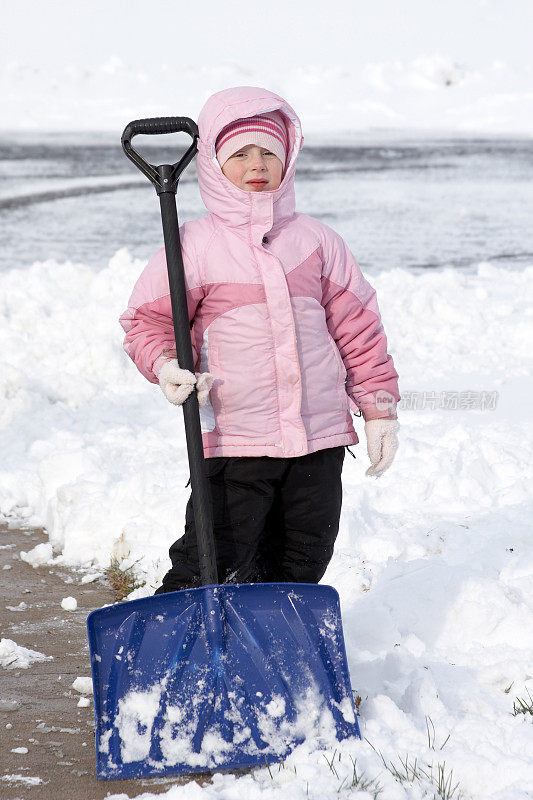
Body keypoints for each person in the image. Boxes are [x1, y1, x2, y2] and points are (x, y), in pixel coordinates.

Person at [119, 86, 400, 593]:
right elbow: (147, 322)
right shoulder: (195, 246)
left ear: (288, 160)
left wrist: (379, 411)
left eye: (269, 151)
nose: (257, 163)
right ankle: (177, 653)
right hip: (235, 439)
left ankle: (270, 656)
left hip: (318, 441)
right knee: (212, 556)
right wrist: (165, 367)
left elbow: (360, 332)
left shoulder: (316, 241)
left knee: (304, 556)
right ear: (213, 164)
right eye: (241, 153)